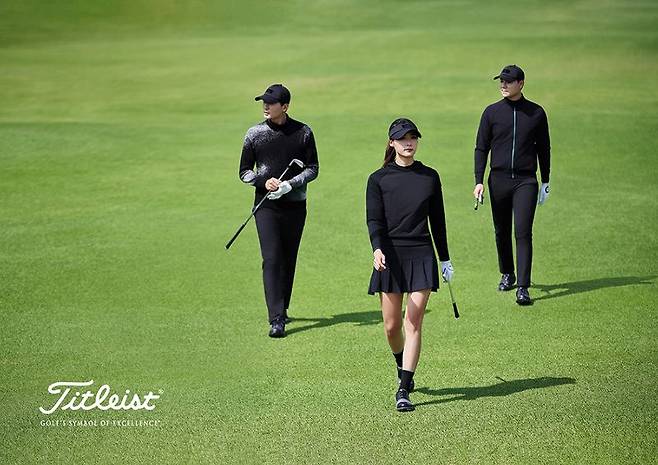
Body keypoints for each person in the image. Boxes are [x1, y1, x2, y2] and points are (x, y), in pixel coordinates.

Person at [366, 118, 454, 412]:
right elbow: (374, 220)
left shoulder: (429, 177)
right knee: (392, 327)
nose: (408, 142)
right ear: (391, 142)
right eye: (402, 138)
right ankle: (400, 362)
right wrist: (377, 248)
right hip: (390, 255)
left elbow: (438, 221)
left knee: (413, 321)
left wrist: (445, 258)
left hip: (421, 254)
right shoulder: (378, 179)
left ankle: (404, 388)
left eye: (413, 137)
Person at [239, 84, 319, 337]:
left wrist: (289, 184)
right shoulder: (254, 134)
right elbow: (244, 172)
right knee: (272, 258)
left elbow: (313, 168)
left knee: (288, 259)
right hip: (266, 206)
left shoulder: (303, 132)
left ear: (284, 107)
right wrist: (264, 182)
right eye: (264, 102)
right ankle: (276, 319)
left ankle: (282, 308)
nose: (265, 106)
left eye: (271, 103)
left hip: (295, 206)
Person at [473, 65, 551, 306]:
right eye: (501, 81)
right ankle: (508, 273)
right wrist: (478, 181)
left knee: (523, 232)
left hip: (526, 181)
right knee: (501, 231)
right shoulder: (491, 113)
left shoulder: (536, 113)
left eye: (508, 81)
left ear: (521, 83)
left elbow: (543, 148)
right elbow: (481, 148)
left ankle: (523, 288)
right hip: (498, 180)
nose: (503, 85)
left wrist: (545, 180)